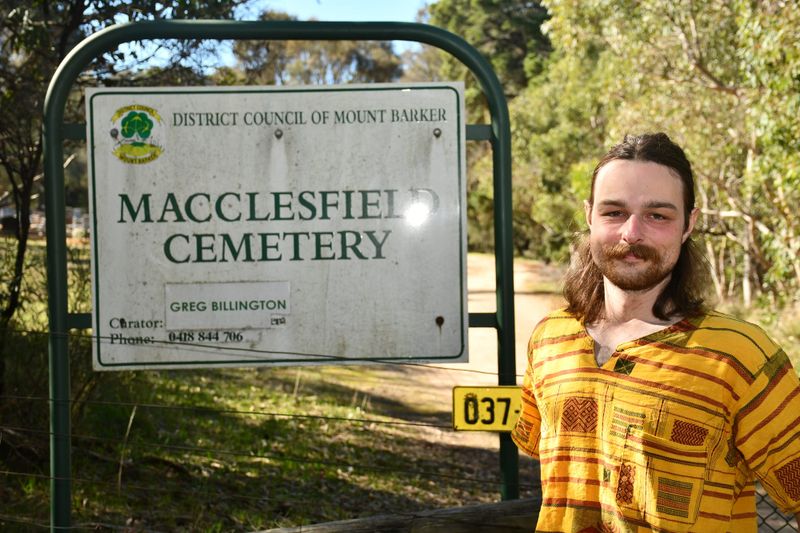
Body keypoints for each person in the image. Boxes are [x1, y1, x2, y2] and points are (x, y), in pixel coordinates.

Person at [512, 132, 800, 532]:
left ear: (688, 225)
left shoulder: (740, 357)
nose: (632, 233)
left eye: (658, 216)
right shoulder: (550, 338)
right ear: (589, 216)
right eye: (614, 212)